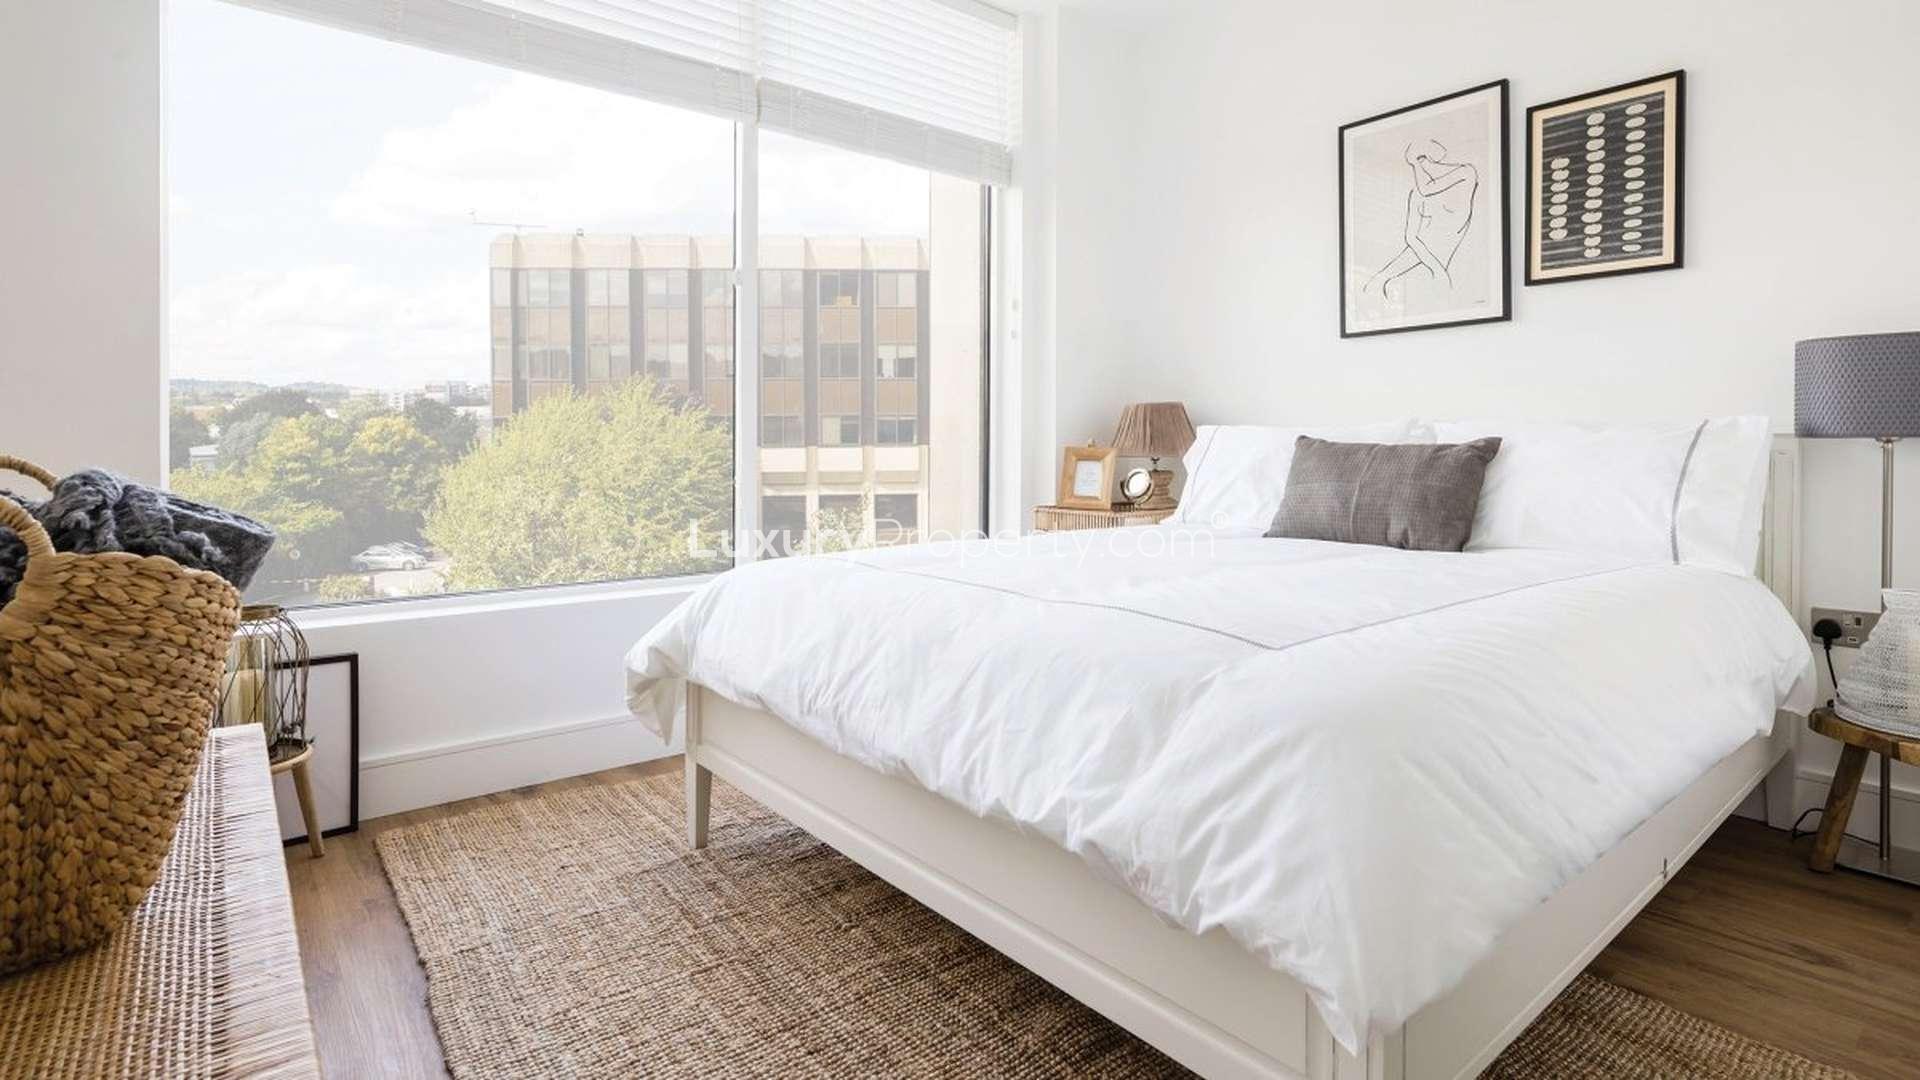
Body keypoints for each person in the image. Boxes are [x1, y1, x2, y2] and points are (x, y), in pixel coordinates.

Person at [1363, 138, 1478, 300]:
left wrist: (1437, 270)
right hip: (1423, 251)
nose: (1420, 168)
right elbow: (1411, 237)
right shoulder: (1417, 194)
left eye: (1421, 161)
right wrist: (1435, 268)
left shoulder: (1466, 173)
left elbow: (1426, 189)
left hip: (1443, 255)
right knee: (1380, 281)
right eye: (1415, 164)